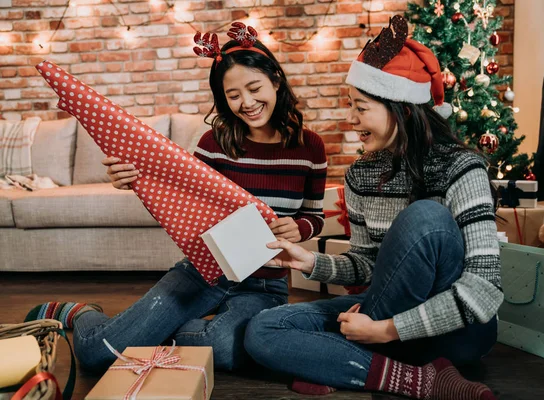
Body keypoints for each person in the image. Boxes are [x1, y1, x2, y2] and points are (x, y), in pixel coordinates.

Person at [25, 22, 327, 373]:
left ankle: (150, 331)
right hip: (203, 270)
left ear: (276, 80)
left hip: (263, 284)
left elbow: (314, 216)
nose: (246, 103)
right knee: (96, 353)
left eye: (254, 87)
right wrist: (133, 180)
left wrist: (299, 229)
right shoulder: (213, 144)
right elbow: (179, 201)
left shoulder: (311, 146)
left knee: (226, 349)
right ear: (223, 99)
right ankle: (83, 314)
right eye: (233, 95)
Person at [244, 15, 500, 400]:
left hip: (456, 332)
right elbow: (367, 264)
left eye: (361, 108)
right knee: (261, 330)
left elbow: (484, 291)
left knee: (426, 218)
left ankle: (338, 360)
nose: (351, 120)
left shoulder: (461, 168)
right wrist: (310, 262)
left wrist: (384, 330)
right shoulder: (362, 175)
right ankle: (422, 380)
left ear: (402, 109)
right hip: (385, 315)